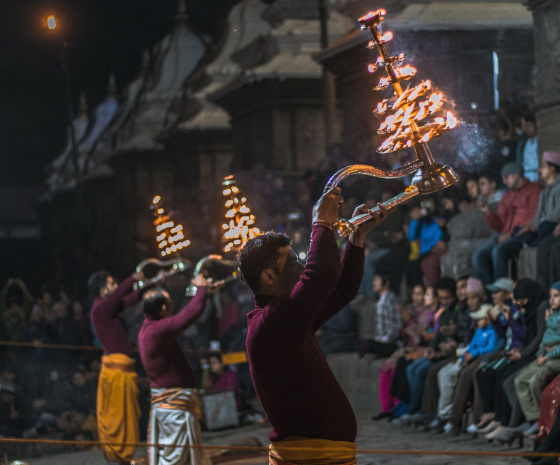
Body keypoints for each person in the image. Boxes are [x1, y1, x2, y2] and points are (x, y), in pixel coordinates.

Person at [238, 186, 387, 465]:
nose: (301, 267)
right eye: (293, 262)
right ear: (269, 277)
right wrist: (320, 222)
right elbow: (321, 273)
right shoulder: (270, 324)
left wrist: (356, 239)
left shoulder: (288, 319)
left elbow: (340, 289)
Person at [139, 275, 221, 465]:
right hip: (173, 406)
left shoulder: (151, 327)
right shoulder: (156, 330)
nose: (173, 306)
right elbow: (190, 314)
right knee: (174, 460)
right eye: (170, 303)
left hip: (174, 405)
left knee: (181, 458)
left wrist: (205, 293)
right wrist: (201, 287)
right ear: (163, 309)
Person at [89, 269, 151, 465]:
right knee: (118, 419)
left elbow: (128, 300)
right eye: (111, 283)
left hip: (123, 370)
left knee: (126, 418)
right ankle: (118, 460)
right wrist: (132, 278)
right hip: (116, 373)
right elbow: (119, 296)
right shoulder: (100, 308)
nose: (115, 287)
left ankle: (123, 459)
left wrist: (149, 286)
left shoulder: (108, 308)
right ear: (101, 289)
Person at [472, 162, 541, 285]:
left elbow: (534, 216)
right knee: (478, 256)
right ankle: (489, 294)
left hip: (523, 234)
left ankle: (501, 292)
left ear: (515, 175)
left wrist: (511, 234)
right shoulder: (507, 196)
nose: (504, 182)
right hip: (506, 235)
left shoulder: (534, 190)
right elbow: (500, 225)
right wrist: (488, 212)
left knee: (498, 251)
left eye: (506, 177)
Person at [514, 281, 560, 437]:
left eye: (556, 296)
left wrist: (547, 357)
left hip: (555, 358)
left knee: (535, 381)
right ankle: (535, 419)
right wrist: (540, 353)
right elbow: (546, 339)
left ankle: (547, 422)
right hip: (546, 356)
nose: (552, 300)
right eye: (551, 296)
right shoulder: (552, 315)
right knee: (520, 380)